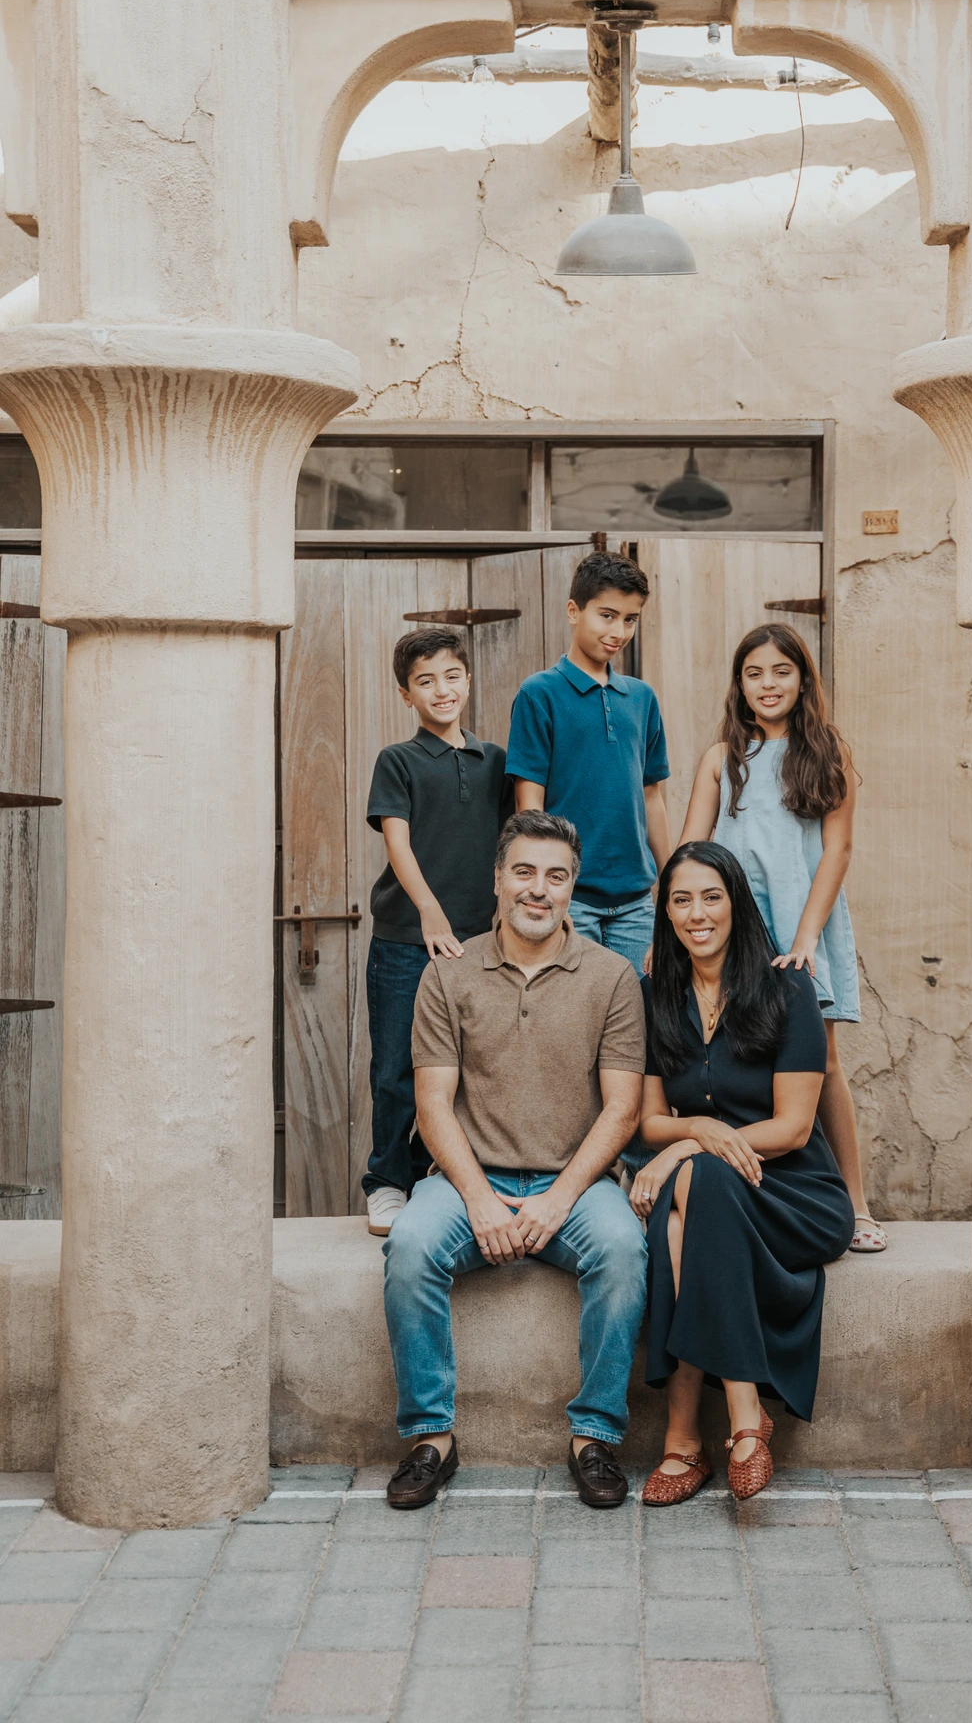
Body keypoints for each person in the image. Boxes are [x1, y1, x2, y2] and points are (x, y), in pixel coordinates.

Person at [381, 810, 649, 1512]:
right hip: (472, 1175)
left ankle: (593, 1438)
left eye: (555, 876)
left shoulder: (613, 977)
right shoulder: (450, 974)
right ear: (497, 880)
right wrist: (477, 1201)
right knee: (410, 1246)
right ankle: (431, 1438)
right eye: (524, 872)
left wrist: (558, 1199)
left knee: (623, 1249)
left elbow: (621, 1109)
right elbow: (433, 1106)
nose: (539, 889)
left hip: (576, 1184)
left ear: (572, 887)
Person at [630, 841, 854, 1505]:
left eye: (710, 896)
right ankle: (740, 1420)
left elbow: (789, 1127)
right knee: (694, 1206)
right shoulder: (655, 997)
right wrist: (694, 1133)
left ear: (735, 903)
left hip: (795, 1193)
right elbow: (648, 1122)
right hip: (715, 1190)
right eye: (680, 899)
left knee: (690, 1198)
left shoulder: (788, 988)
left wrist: (682, 1150)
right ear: (665, 913)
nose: (696, 913)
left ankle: (689, 1431)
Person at [678, 623, 885, 1253]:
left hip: (803, 926)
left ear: (803, 679)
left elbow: (836, 851)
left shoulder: (828, 755)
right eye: (754, 673)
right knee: (738, 1062)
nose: (768, 684)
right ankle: (755, 1193)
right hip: (733, 931)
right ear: (738, 684)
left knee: (821, 1062)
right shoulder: (722, 759)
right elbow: (695, 850)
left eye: (781, 671)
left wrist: (804, 941)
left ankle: (855, 1203)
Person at [362, 628, 512, 1238]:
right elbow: (397, 841)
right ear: (407, 694)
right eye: (425, 681)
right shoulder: (397, 761)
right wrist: (428, 910)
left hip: (480, 941)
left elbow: (513, 841)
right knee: (397, 1067)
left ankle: (449, 1176)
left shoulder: (496, 760)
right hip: (406, 939)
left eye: (451, 676)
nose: (441, 690)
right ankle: (388, 1182)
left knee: (472, 1068)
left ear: (468, 681)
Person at [506, 548, 671, 980]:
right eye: (607, 615)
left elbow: (652, 797)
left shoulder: (642, 699)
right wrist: (543, 894)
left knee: (641, 1026)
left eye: (630, 619)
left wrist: (673, 886)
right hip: (569, 899)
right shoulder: (539, 693)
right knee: (572, 1027)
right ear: (573, 611)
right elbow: (529, 807)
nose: (619, 631)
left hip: (637, 902)